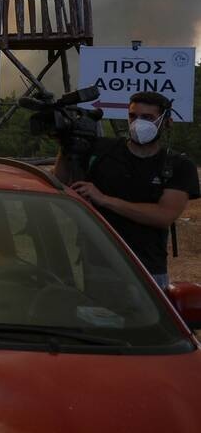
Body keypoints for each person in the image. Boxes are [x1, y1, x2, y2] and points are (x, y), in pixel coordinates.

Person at [56, 91, 200, 289]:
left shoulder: (179, 165)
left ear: (167, 122)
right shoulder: (101, 150)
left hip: (146, 269)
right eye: (133, 116)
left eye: (148, 118)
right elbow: (60, 183)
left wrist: (104, 199)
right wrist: (65, 147)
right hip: (97, 266)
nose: (138, 123)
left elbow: (164, 215)